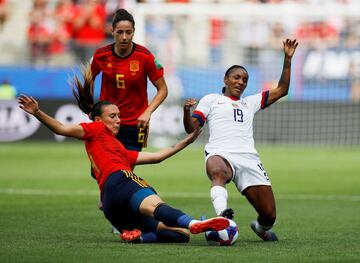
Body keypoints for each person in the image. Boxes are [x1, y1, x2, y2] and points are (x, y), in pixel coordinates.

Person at [17, 69, 229, 244]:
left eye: (119, 116)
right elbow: (61, 128)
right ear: (99, 120)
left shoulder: (118, 149)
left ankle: (139, 238)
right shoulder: (95, 130)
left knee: (180, 236)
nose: (118, 120)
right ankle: (193, 222)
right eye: (113, 116)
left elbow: (157, 156)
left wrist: (187, 141)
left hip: (110, 206)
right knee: (156, 207)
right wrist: (37, 112)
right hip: (121, 181)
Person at [183, 39, 299, 242]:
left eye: (245, 79)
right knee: (217, 171)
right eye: (236, 78)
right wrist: (186, 111)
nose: (241, 82)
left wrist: (287, 59)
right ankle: (221, 216)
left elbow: (282, 90)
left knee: (269, 215)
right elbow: (191, 128)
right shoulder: (211, 99)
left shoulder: (250, 102)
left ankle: (260, 228)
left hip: (248, 159)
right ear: (226, 79)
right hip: (220, 154)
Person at [90, 8, 168, 152]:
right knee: (102, 171)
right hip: (107, 122)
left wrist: (148, 112)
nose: (124, 37)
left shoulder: (145, 56)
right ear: (112, 31)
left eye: (128, 32)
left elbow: (163, 89)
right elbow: (89, 79)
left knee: (126, 169)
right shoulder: (101, 55)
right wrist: (91, 107)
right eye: (120, 32)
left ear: (134, 31)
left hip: (138, 124)